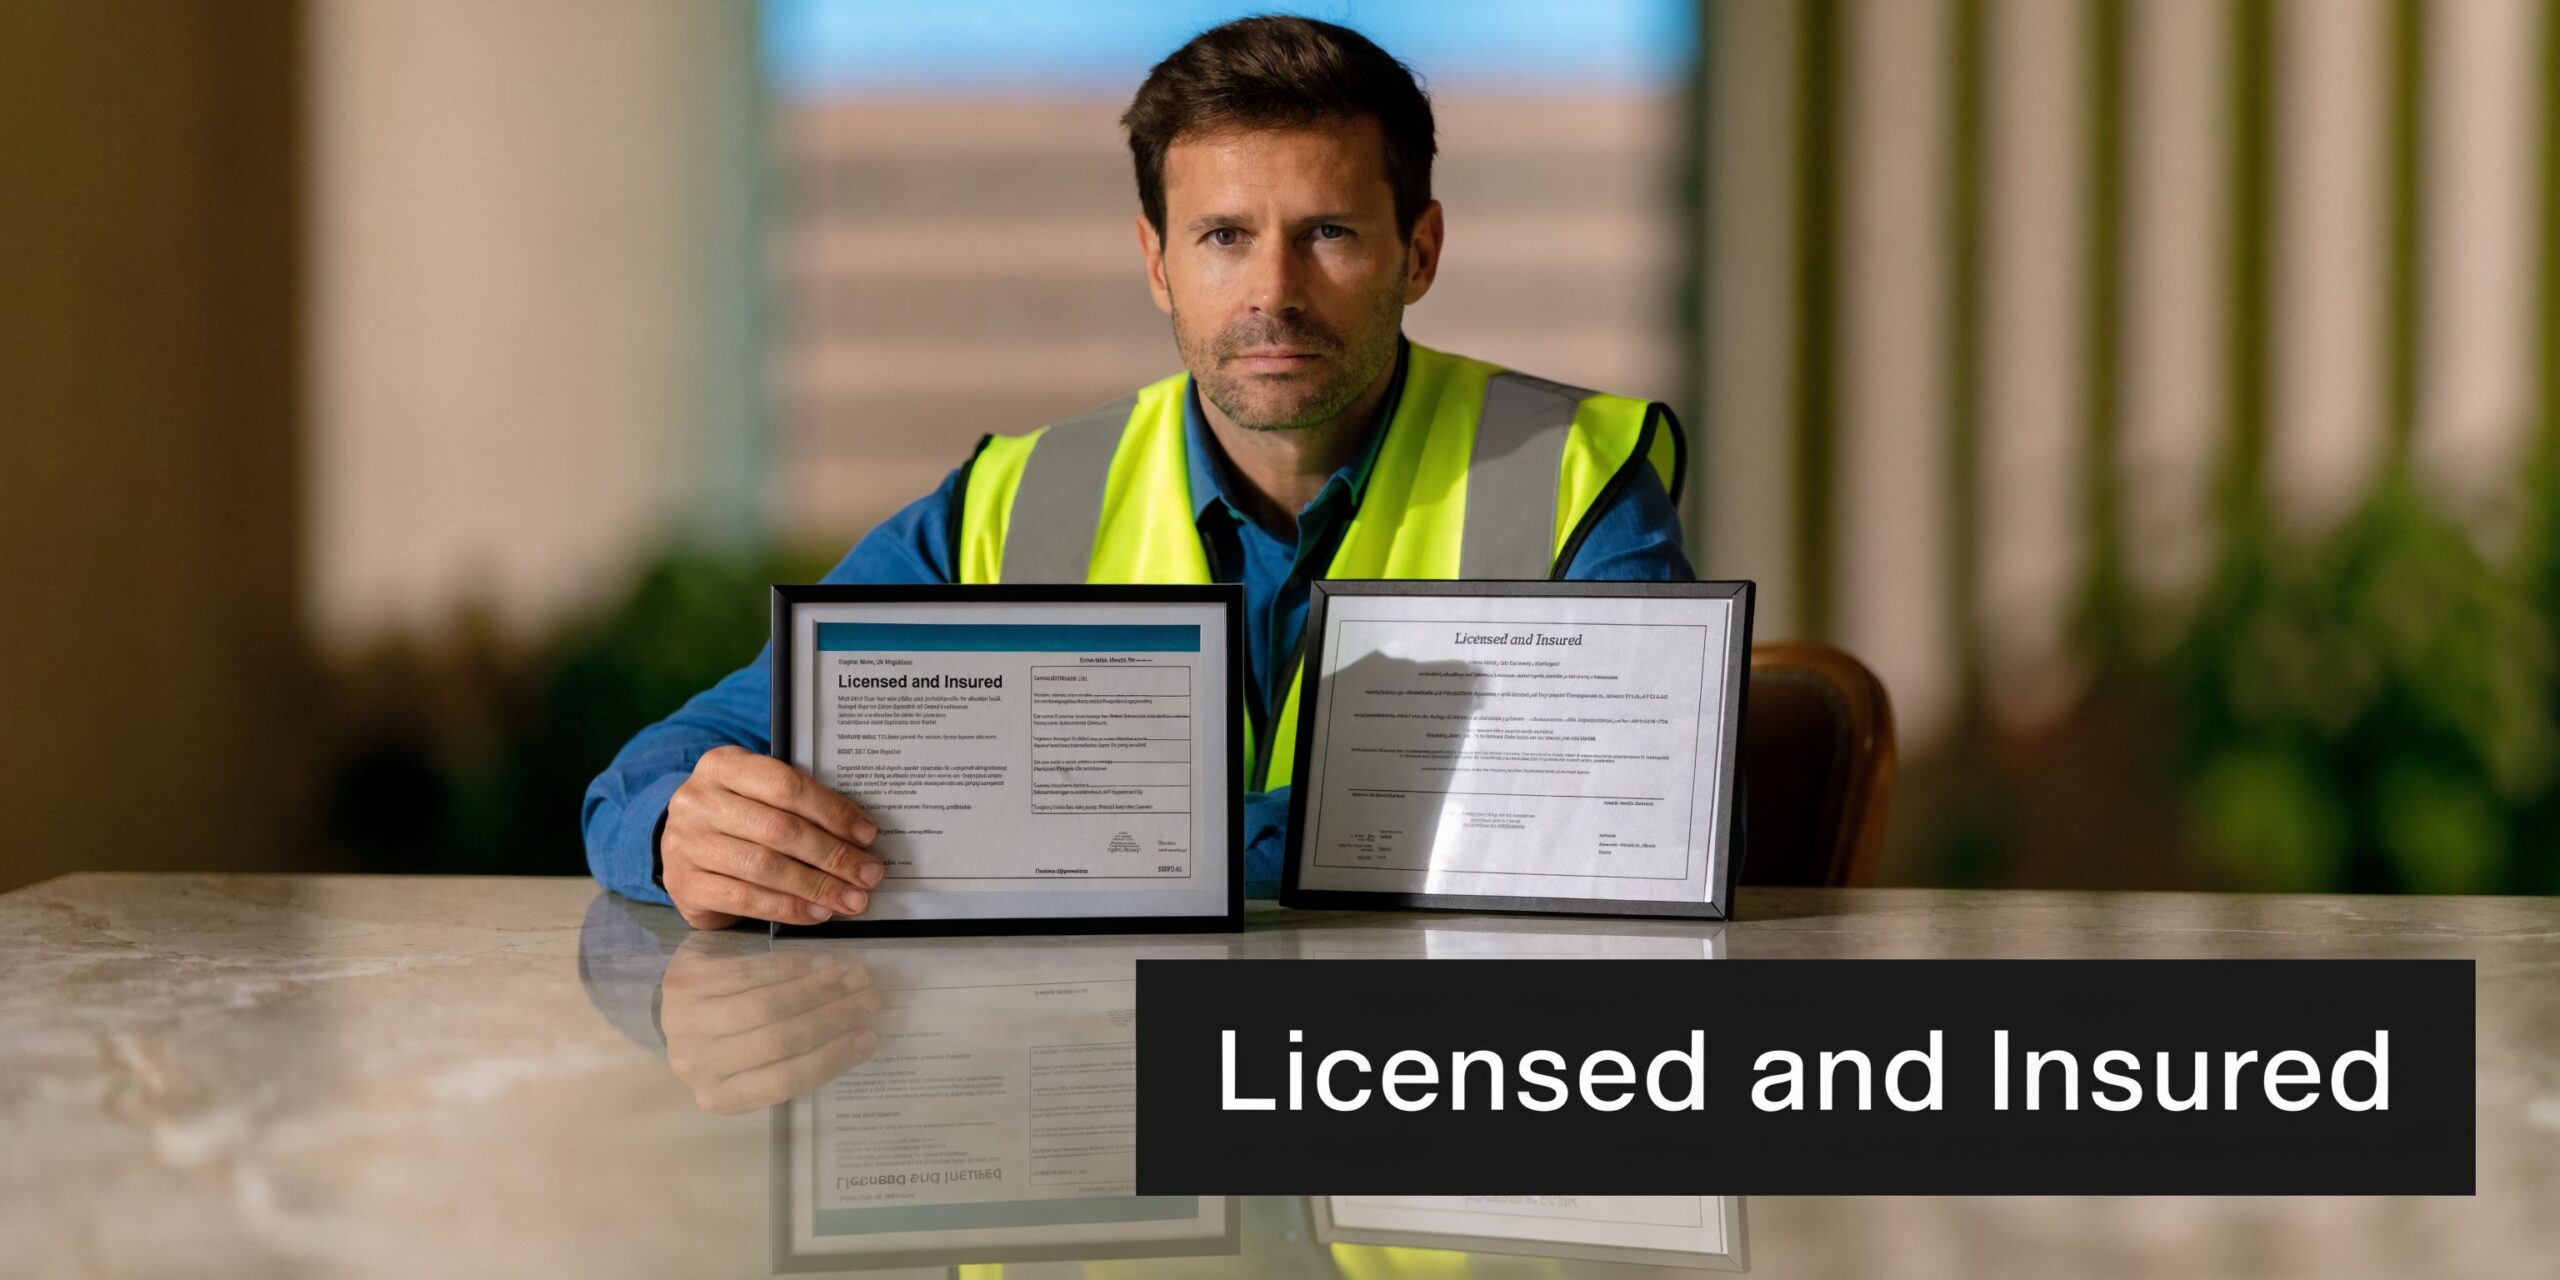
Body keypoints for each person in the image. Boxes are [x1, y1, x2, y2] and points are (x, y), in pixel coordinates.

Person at [583, 16, 1694, 929]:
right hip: (1097, 1113)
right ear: (1155, 261)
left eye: (1329, 232)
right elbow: (676, 756)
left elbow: (1646, 822)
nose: (1273, 292)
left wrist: (1132, 840)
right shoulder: (1014, 501)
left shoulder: (1572, 483)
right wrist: (684, 825)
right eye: (1221, 237)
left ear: (1421, 251)